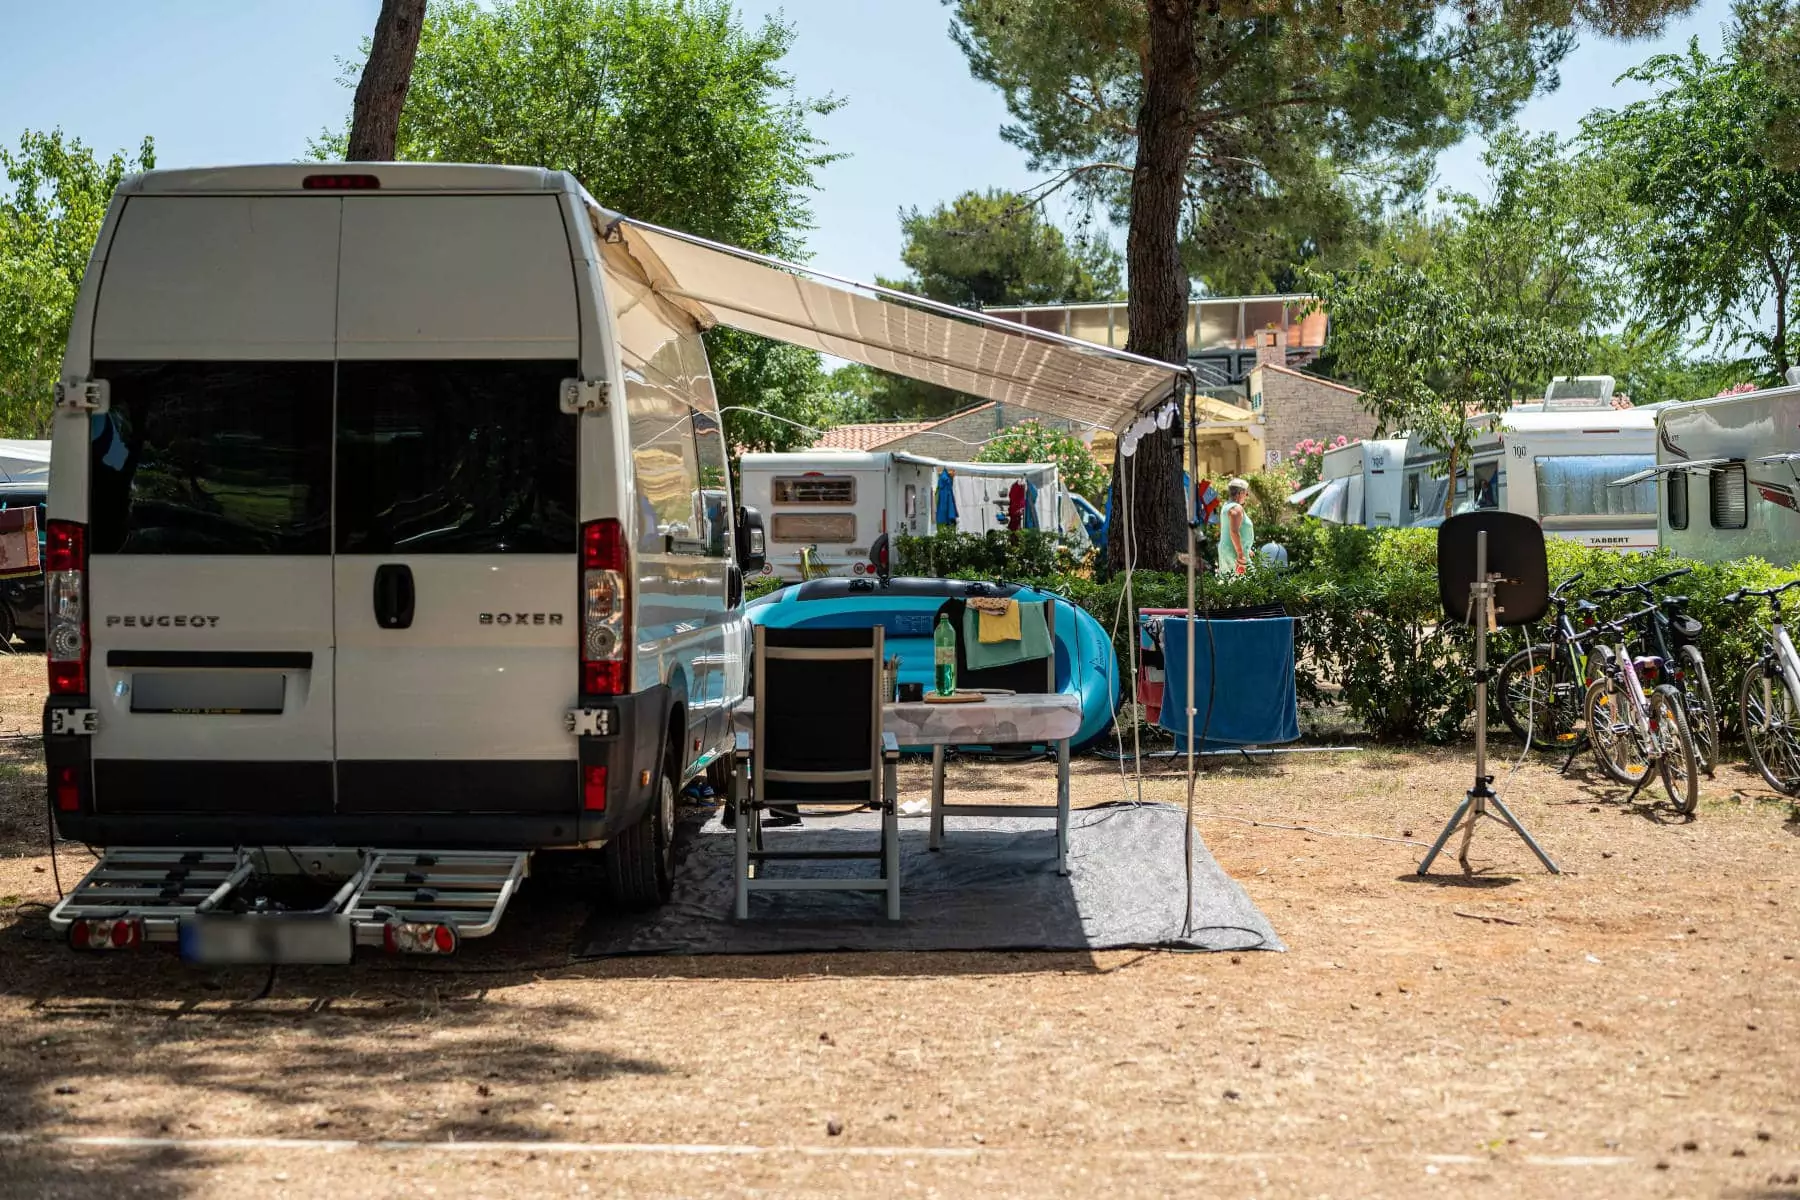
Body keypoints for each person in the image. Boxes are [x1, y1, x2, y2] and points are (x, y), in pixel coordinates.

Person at [1216, 477, 1255, 576]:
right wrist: (1240, 554)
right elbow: (1234, 532)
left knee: (1229, 582)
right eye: (1246, 493)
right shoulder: (1236, 508)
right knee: (1248, 583)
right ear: (1240, 493)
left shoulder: (1226, 506)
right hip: (1234, 552)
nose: (1246, 496)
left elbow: (1225, 529)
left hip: (1229, 549)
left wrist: (1247, 548)